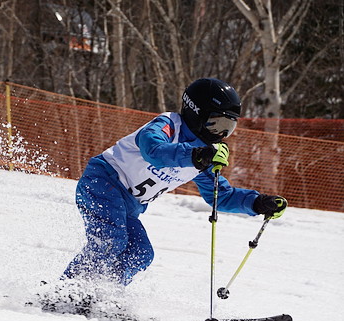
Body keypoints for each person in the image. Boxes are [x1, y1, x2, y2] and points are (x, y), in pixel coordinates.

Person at [60, 78, 288, 294]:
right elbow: (153, 151)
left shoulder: (204, 155)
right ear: (196, 113)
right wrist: (196, 156)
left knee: (140, 253)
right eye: (216, 124)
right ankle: (67, 291)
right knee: (113, 241)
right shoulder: (168, 125)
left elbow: (222, 196)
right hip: (103, 181)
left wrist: (258, 203)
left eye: (228, 128)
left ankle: (105, 293)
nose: (220, 134)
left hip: (130, 205)